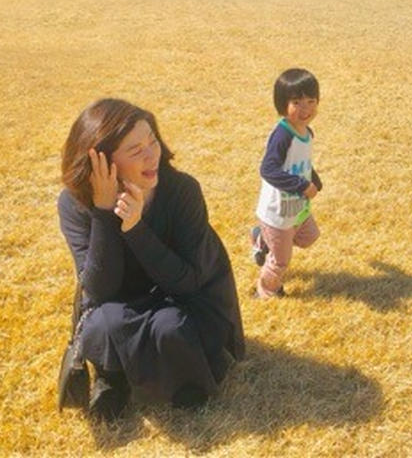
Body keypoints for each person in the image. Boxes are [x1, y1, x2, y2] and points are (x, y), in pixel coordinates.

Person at [57, 98, 244, 421]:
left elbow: (187, 282)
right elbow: (99, 290)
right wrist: (104, 214)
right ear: (103, 161)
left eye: (153, 141)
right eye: (135, 150)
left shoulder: (181, 190)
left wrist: (137, 230)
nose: (151, 154)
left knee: (170, 326)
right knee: (104, 322)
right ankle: (112, 377)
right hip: (120, 299)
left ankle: (189, 376)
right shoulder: (74, 204)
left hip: (184, 296)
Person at [251, 68, 323, 299]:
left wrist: (314, 180)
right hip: (277, 212)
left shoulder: (307, 132)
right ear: (282, 105)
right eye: (297, 102)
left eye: (311, 101)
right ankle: (267, 290)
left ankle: (262, 239)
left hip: (296, 207)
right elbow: (268, 169)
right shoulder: (283, 135)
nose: (306, 109)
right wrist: (302, 186)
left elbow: (301, 161)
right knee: (281, 261)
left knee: (309, 237)